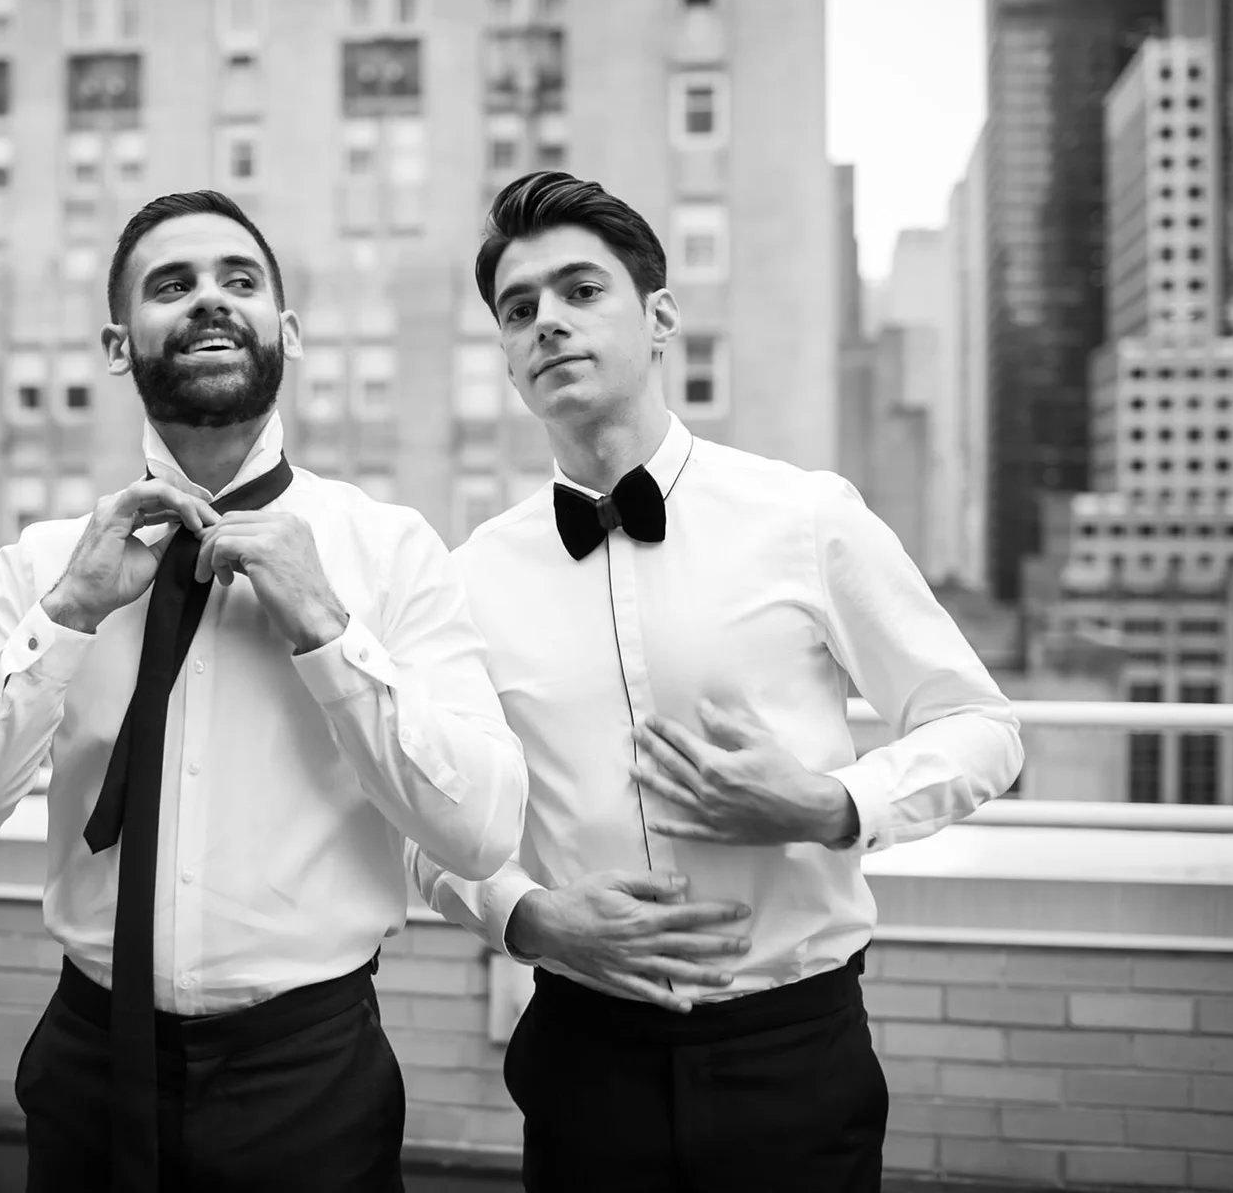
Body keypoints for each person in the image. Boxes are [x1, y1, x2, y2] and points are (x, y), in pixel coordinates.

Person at [0, 189, 528, 1193]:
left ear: (290, 331)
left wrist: (328, 628)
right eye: (170, 285)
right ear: (115, 344)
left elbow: (482, 830)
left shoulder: (389, 553)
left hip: (308, 1078)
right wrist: (66, 618)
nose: (209, 302)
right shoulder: (46, 565)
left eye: (240, 281)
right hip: (87, 1065)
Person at [409, 171, 1024, 1192]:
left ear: (659, 321)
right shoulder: (468, 576)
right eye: (519, 311)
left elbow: (981, 727)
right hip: (579, 1058)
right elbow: (428, 824)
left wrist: (832, 804)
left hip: (793, 1053)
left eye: (580, 292)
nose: (548, 323)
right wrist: (524, 916)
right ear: (510, 364)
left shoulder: (806, 516)